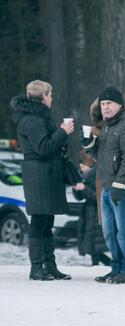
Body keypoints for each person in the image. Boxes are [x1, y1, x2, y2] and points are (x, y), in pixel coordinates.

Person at [9, 80, 74, 281]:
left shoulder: (37, 117)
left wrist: (62, 139)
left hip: (45, 174)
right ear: (44, 96)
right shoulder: (32, 120)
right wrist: (63, 131)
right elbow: (43, 147)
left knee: (46, 220)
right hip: (39, 175)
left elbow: (49, 145)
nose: (52, 98)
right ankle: (37, 268)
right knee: (39, 221)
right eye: (50, 95)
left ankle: (49, 266)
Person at [81, 86, 125, 284]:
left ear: (120, 105)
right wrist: (89, 145)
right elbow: (101, 157)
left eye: (109, 104)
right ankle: (116, 269)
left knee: (124, 232)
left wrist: (121, 184)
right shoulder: (107, 126)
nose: (105, 107)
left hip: (121, 188)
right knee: (110, 233)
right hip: (105, 187)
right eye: (103, 104)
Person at [73, 162, 110, 266]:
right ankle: (97, 264)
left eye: (83, 166)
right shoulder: (86, 177)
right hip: (88, 213)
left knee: (95, 244)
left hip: (96, 213)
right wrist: (76, 188)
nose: (81, 168)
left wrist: (84, 189)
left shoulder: (98, 176)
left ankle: (108, 264)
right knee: (91, 244)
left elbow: (98, 197)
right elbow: (79, 197)